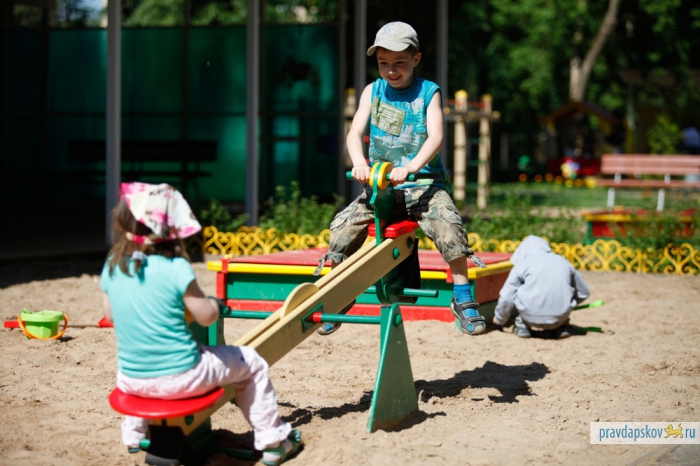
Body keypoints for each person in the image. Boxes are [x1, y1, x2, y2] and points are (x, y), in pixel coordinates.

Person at [100, 182, 301, 466]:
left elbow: (110, 315)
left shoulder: (114, 264)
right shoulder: (175, 268)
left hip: (131, 380)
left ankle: (134, 434)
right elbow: (206, 316)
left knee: (145, 361)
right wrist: (213, 304)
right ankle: (273, 441)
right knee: (252, 363)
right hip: (182, 377)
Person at [313, 21, 487, 336]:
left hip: (423, 186)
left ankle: (462, 296)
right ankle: (337, 294)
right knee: (342, 226)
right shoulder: (373, 91)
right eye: (383, 63)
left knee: (448, 224)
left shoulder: (428, 92)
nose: (391, 71)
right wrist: (360, 163)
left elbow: (436, 136)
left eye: (399, 63)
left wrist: (412, 166)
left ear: (415, 59)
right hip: (380, 187)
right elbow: (354, 133)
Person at [492, 235, 590, 339]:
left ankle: (522, 326)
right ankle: (561, 327)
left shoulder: (523, 264)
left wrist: (499, 319)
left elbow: (507, 297)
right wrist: (565, 305)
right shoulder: (563, 261)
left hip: (529, 317)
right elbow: (584, 292)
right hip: (559, 318)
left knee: (519, 292)